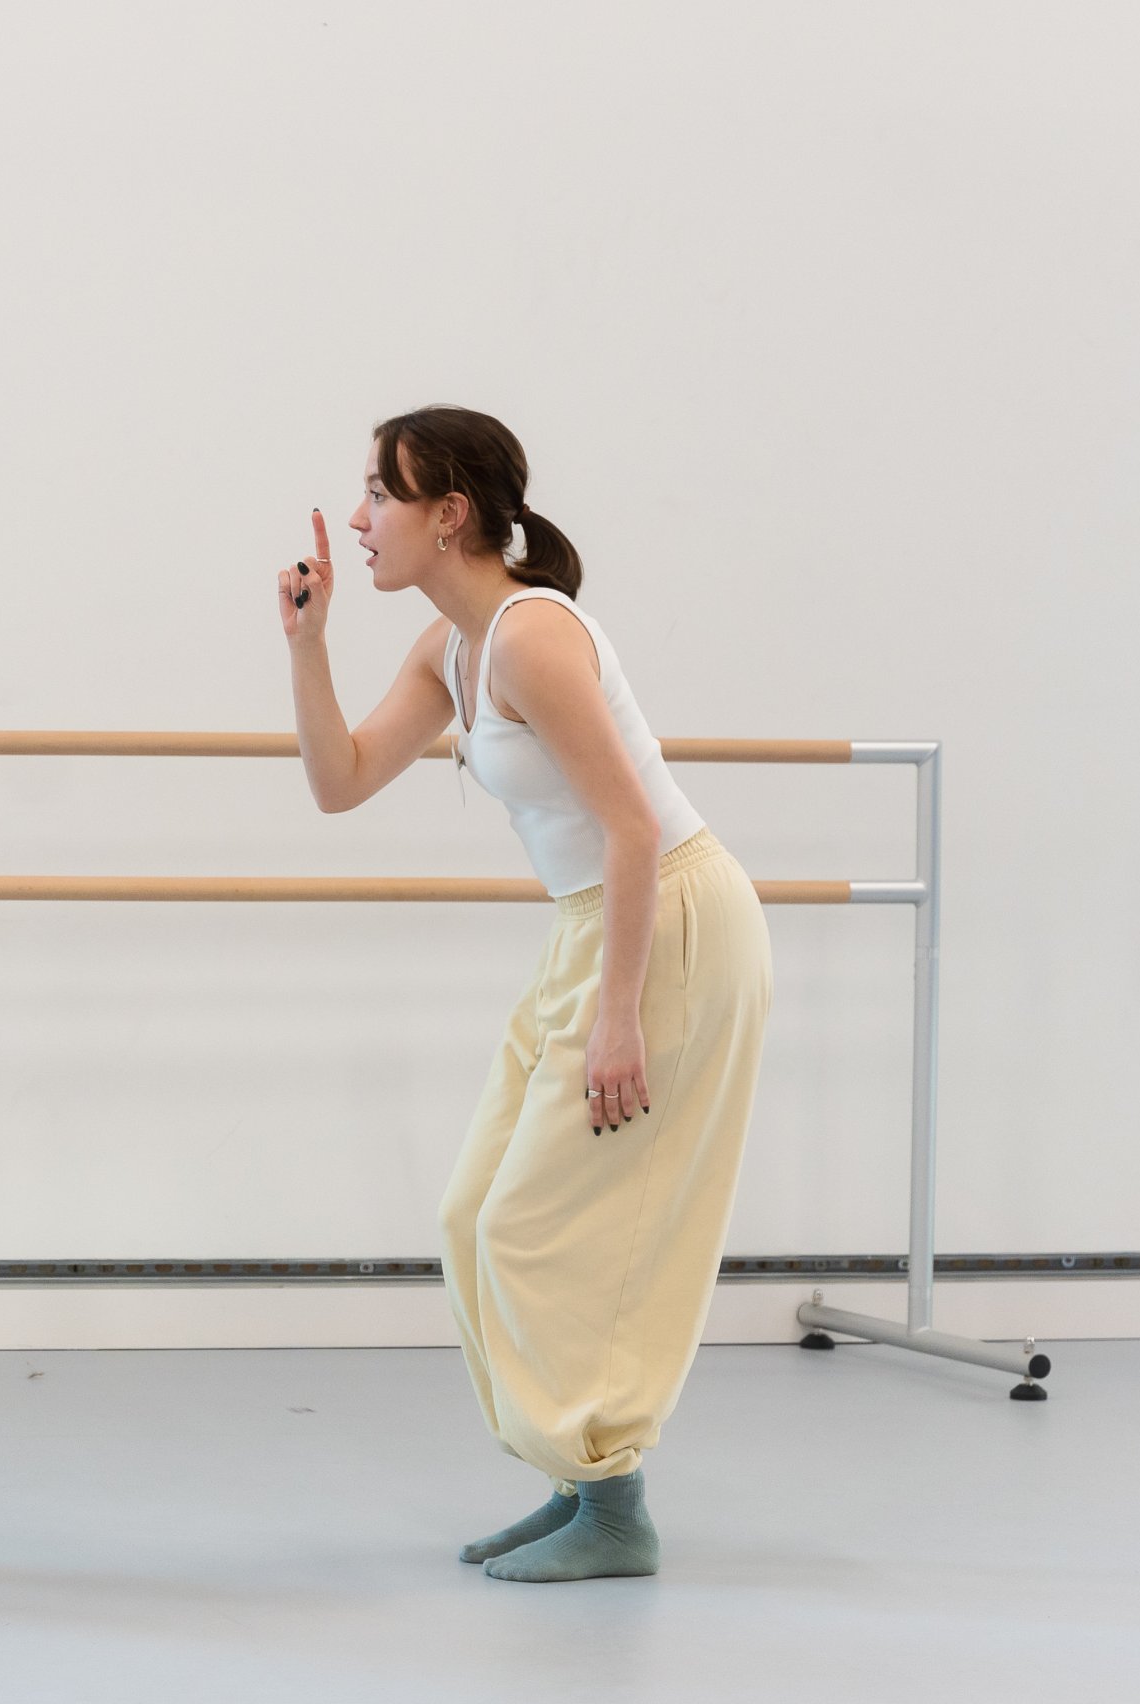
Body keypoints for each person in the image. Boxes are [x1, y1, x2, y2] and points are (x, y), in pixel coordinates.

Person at [277, 406, 771, 1583]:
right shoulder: (451, 647)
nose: (358, 519)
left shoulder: (531, 636)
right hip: (590, 924)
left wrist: (617, 1016)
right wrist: (305, 642)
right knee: (470, 1218)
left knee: (529, 1224)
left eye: (379, 496)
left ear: (448, 514)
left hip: (668, 926)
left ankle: (612, 1500)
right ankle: (579, 1480)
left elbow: (635, 830)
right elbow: (339, 783)